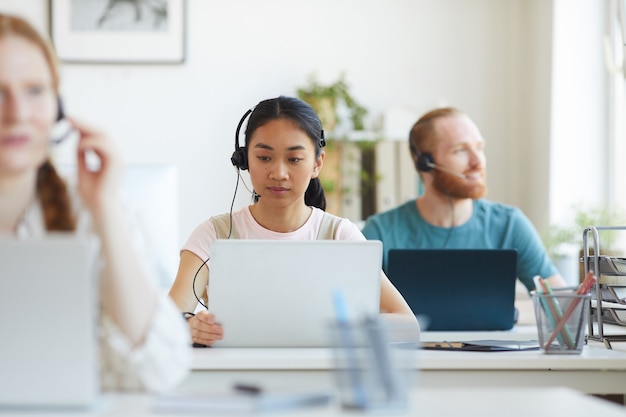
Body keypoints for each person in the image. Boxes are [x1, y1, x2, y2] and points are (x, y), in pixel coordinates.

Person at [0, 14, 190, 391]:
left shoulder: (92, 208)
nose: (17, 113)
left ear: (58, 105)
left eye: (35, 90)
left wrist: (105, 210)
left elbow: (160, 371)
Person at [168, 95, 417, 346]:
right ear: (244, 161)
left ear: (317, 164)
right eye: (264, 158)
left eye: (294, 159)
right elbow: (166, 322)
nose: (278, 173)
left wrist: (339, 326)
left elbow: (407, 325)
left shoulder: (339, 235)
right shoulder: (214, 234)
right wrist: (190, 326)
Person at [362, 107, 567, 293]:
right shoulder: (380, 232)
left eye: (479, 147)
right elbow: (353, 310)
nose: (478, 161)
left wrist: (514, 314)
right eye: (460, 150)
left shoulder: (509, 224)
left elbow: (560, 306)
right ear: (425, 163)